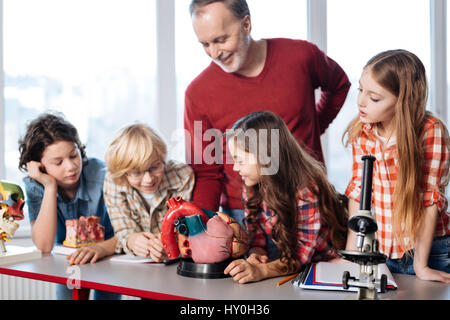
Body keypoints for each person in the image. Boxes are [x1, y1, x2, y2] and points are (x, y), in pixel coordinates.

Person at [184, 0, 351, 227]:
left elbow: (339, 85)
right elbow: (206, 172)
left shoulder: (301, 56)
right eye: (205, 44)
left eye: (221, 40)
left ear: (246, 24)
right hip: (243, 215)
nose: (214, 53)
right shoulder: (198, 93)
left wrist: (313, 127)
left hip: (308, 205)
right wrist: (198, 228)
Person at [344, 49, 450, 283]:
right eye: (361, 89)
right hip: (383, 249)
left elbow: (429, 200)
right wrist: (352, 253)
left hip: (429, 250)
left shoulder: (430, 131)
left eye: (374, 97)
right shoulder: (362, 132)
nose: (361, 101)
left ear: (403, 100)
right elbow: (358, 191)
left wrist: (420, 265)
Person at [223, 111, 347, 283]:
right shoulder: (253, 183)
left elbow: (301, 258)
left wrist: (262, 271)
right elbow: (257, 237)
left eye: (241, 160)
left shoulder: (306, 190)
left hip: (327, 270)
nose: (236, 168)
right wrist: (255, 255)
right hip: (291, 265)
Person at [18, 112, 120, 300]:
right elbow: (44, 245)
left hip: (108, 256)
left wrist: (102, 248)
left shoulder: (103, 174)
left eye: (74, 155)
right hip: (67, 263)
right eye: (58, 162)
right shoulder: (35, 186)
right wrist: (49, 186)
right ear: (40, 166)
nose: (71, 166)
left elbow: (126, 233)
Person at [103, 123, 195, 261]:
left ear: (163, 158)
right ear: (123, 172)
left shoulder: (182, 176)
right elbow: (123, 231)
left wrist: (169, 244)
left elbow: (186, 227)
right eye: (136, 172)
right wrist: (132, 240)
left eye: (155, 167)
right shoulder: (113, 181)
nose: (148, 179)